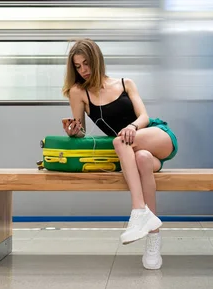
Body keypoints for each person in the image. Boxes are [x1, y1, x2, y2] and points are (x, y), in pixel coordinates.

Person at [61, 38, 179, 270]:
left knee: (120, 140)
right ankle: (153, 236)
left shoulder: (125, 83)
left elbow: (144, 116)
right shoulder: (78, 92)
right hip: (137, 153)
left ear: (97, 61)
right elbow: (82, 130)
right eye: (77, 66)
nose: (83, 70)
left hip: (155, 135)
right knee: (143, 160)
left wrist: (132, 128)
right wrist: (73, 131)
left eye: (86, 64)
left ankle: (137, 211)